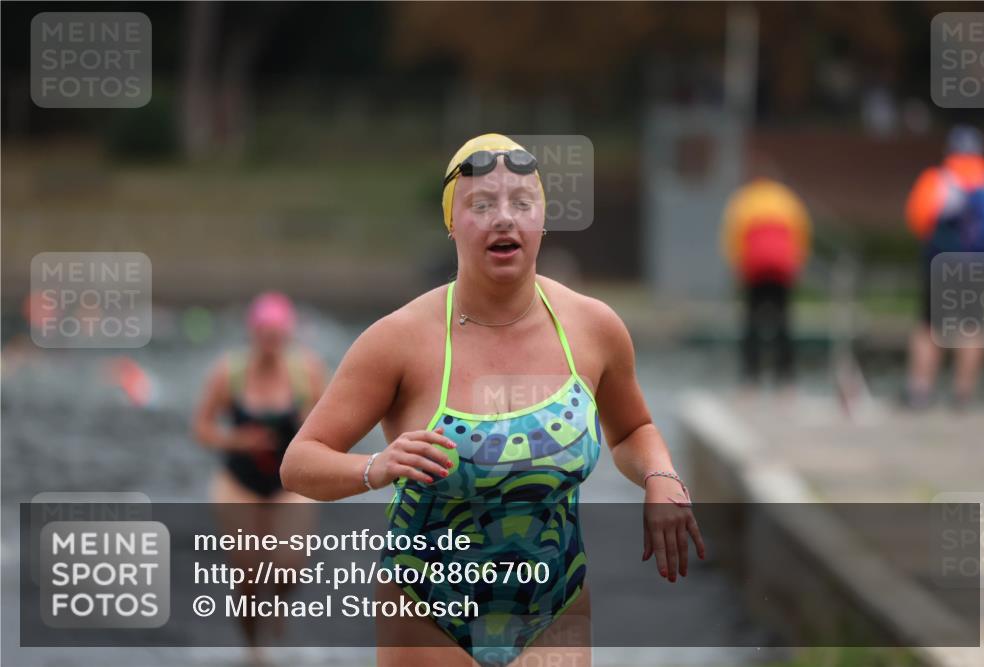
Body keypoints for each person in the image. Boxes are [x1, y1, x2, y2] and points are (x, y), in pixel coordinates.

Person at [281, 133, 706, 667]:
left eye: (521, 203)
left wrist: (660, 477)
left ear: (543, 221)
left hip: (556, 605)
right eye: (481, 205)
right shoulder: (399, 340)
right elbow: (299, 463)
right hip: (428, 612)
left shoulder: (593, 327)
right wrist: (376, 466)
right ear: (452, 223)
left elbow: (632, 431)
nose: (504, 218)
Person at [192, 291, 327, 659]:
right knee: (248, 576)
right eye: (264, 334)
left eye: (278, 334)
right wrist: (236, 440)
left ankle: (279, 606)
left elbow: (328, 428)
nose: (271, 342)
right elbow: (202, 428)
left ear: (288, 335)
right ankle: (254, 648)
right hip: (239, 482)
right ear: (253, 333)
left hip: (289, 483)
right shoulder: (229, 372)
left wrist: (305, 427)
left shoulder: (306, 372)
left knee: (289, 568)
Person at [903, 125, 984, 410]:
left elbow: (917, 221)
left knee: (929, 325)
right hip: (980, 265)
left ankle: (921, 390)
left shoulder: (938, 179)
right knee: (972, 326)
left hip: (940, 264)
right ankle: (963, 394)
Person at [720, 177, 811, 387]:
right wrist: (798, 263)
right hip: (782, 271)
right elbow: (802, 233)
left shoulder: (744, 202)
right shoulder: (787, 200)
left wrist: (736, 266)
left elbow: (731, 236)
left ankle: (750, 376)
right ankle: (785, 377)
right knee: (783, 323)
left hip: (754, 271)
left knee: (751, 323)